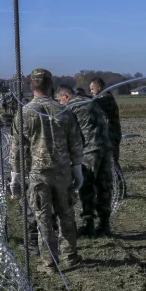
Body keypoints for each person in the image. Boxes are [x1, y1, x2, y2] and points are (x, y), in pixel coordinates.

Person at [8, 68, 85, 273]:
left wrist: (15, 177)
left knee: (43, 218)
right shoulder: (64, 111)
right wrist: (77, 170)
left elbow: (17, 149)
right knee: (66, 215)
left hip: (38, 174)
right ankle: (70, 256)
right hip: (63, 172)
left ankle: (49, 262)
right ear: (50, 85)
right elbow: (76, 143)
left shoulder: (24, 113)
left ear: (32, 86)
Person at [55, 84, 115, 237]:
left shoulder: (71, 107)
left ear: (66, 96)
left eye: (59, 100)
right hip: (106, 146)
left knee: (87, 186)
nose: (60, 104)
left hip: (89, 149)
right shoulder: (89, 101)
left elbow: (70, 134)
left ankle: (88, 224)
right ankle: (104, 224)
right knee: (104, 186)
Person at [88, 77, 122, 165]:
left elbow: (95, 103)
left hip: (112, 134)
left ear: (99, 88)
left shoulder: (107, 98)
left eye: (92, 89)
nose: (91, 92)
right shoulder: (102, 97)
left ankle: (117, 178)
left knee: (112, 162)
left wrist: (82, 98)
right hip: (107, 135)